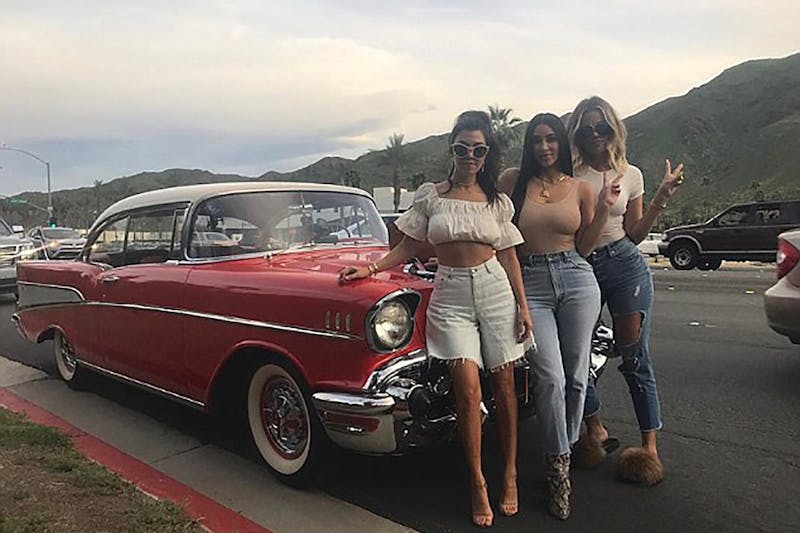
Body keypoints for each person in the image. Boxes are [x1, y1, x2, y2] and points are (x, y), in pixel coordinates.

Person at [339, 110, 532, 528]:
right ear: (452, 149)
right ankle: (477, 481)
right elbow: (408, 246)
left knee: (504, 387)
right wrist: (370, 268)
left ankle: (509, 473)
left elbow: (509, 255)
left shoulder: (498, 202)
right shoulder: (431, 196)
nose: (471, 156)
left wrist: (524, 306)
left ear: (487, 153)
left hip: (495, 290)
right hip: (451, 295)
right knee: (467, 390)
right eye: (463, 148)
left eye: (479, 150)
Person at [498, 112, 619, 519]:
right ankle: (558, 464)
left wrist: (604, 208)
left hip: (577, 278)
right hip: (530, 282)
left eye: (551, 139)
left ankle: (560, 460)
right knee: (549, 377)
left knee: (577, 377)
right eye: (537, 140)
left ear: (562, 144)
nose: (544, 146)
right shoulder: (513, 182)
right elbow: (496, 229)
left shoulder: (581, 188)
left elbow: (585, 247)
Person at [566, 96, 684, 486]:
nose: (595, 134)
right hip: (581, 267)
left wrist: (660, 199)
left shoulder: (630, 174)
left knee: (635, 358)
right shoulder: (569, 175)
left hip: (624, 265)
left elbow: (634, 234)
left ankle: (649, 448)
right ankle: (595, 428)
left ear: (613, 129)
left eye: (602, 126)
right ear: (577, 134)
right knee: (574, 357)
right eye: (586, 128)